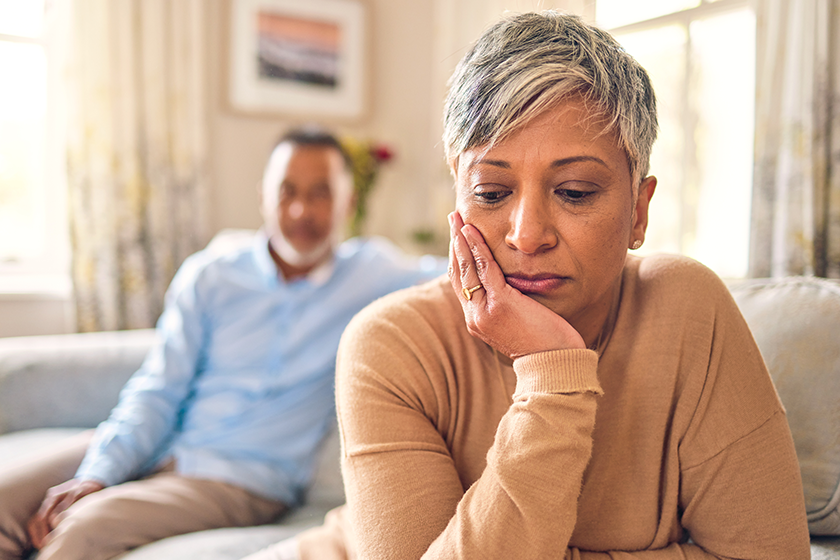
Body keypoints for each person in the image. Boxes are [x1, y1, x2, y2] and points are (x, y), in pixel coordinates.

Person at [268, 11, 811, 560]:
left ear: (638, 212)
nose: (527, 236)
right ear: (456, 197)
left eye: (575, 192)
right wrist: (554, 378)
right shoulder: (390, 343)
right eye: (491, 192)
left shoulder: (689, 310)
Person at [0, 126, 444, 560]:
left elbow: (457, 270)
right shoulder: (212, 274)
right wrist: (100, 472)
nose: (300, 211)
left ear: (348, 201)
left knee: (81, 528)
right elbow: (159, 387)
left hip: (241, 480)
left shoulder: (374, 273)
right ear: (264, 197)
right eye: (287, 191)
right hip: (164, 446)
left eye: (320, 193)